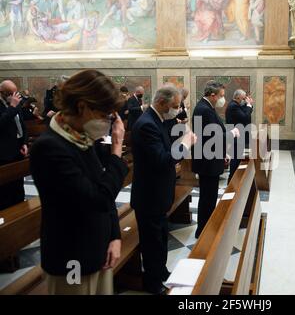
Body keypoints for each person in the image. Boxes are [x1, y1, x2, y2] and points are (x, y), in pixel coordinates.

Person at [29, 70, 128, 295]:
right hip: (72, 259)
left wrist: (114, 235)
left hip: (100, 250)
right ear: (83, 107)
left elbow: (103, 187)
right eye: (104, 114)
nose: (107, 122)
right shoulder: (50, 148)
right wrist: (116, 153)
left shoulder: (80, 136)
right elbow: (98, 198)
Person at [131, 86, 196, 295]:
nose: (177, 110)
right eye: (174, 106)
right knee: (152, 243)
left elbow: (166, 141)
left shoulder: (158, 119)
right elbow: (162, 159)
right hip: (149, 196)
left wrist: (177, 125)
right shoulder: (146, 125)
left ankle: (161, 271)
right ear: (161, 103)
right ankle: (153, 282)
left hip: (159, 193)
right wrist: (185, 144)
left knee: (160, 237)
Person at [192, 81, 240, 239]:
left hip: (211, 158)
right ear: (212, 95)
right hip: (207, 162)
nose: (223, 99)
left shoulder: (207, 108)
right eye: (221, 96)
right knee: (207, 198)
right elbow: (213, 137)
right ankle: (203, 231)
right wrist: (231, 134)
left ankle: (206, 229)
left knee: (210, 197)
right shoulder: (203, 109)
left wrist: (223, 154)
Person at [0, 80, 27, 211]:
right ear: (2, 93)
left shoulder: (16, 103)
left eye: (15, 92)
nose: (14, 95)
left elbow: (22, 124)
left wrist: (24, 142)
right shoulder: (9, 104)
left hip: (18, 149)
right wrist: (11, 107)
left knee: (18, 184)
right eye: (10, 93)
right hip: (4, 154)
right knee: (6, 188)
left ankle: (20, 208)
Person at [225, 89, 254, 183]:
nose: (245, 99)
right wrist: (249, 105)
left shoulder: (236, 105)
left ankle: (234, 180)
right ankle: (232, 181)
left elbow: (245, 112)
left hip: (238, 136)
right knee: (235, 159)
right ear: (238, 97)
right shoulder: (233, 106)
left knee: (237, 158)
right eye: (244, 97)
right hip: (235, 137)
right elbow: (245, 117)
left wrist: (249, 104)